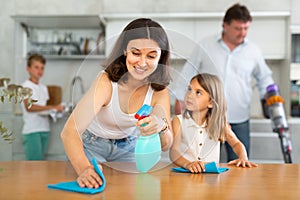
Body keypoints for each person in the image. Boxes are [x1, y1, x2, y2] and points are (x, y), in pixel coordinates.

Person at [60, 18, 173, 188]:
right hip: (92, 146)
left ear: (161, 56)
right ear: (125, 51)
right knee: (92, 188)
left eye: (151, 56)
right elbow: (69, 132)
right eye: (136, 53)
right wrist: (84, 169)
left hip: (128, 147)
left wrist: (161, 126)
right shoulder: (106, 82)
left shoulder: (159, 91)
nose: (142, 63)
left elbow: (166, 145)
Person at [174, 3, 274, 162]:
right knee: (202, 162)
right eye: (238, 28)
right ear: (225, 25)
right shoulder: (206, 45)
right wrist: (180, 99)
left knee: (240, 165)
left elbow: (265, 78)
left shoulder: (253, 51)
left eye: (246, 28)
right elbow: (188, 72)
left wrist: (271, 97)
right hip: (207, 118)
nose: (242, 33)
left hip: (239, 118)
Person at [170, 73, 257, 173]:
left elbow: (236, 143)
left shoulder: (219, 124)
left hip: (211, 179)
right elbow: (174, 152)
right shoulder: (178, 121)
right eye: (189, 89)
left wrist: (243, 157)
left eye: (198, 92)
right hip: (184, 177)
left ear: (210, 102)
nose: (190, 95)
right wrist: (188, 164)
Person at [21, 53, 64, 160]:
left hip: (45, 129)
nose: (40, 71)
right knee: (34, 166)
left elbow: (43, 108)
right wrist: (52, 107)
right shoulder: (25, 87)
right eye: (36, 67)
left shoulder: (43, 88)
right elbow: (29, 107)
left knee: (40, 165)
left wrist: (56, 111)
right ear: (28, 68)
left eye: (42, 68)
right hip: (32, 131)